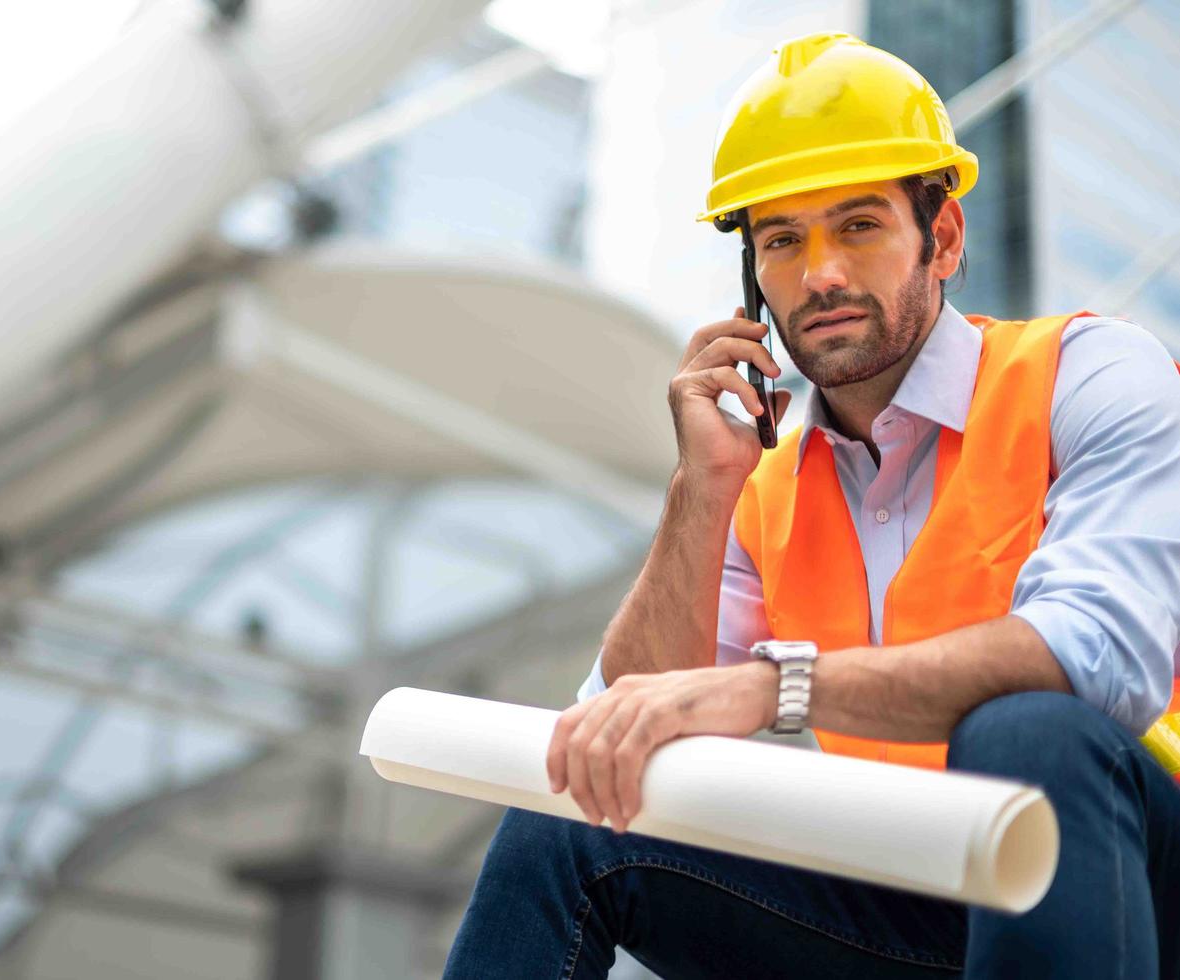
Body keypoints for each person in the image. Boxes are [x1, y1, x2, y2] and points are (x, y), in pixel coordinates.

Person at [443, 31, 1180, 980]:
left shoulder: (1089, 376)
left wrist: (774, 686)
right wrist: (700, 493)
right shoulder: (761, 491)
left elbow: (1097, 658)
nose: (819, 273)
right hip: (923, 905)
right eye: (781, 240)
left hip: (1134, 891)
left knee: (1026, 727)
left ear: (942, 237)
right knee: (573, 824)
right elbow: (621, 731)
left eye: (858, 225)